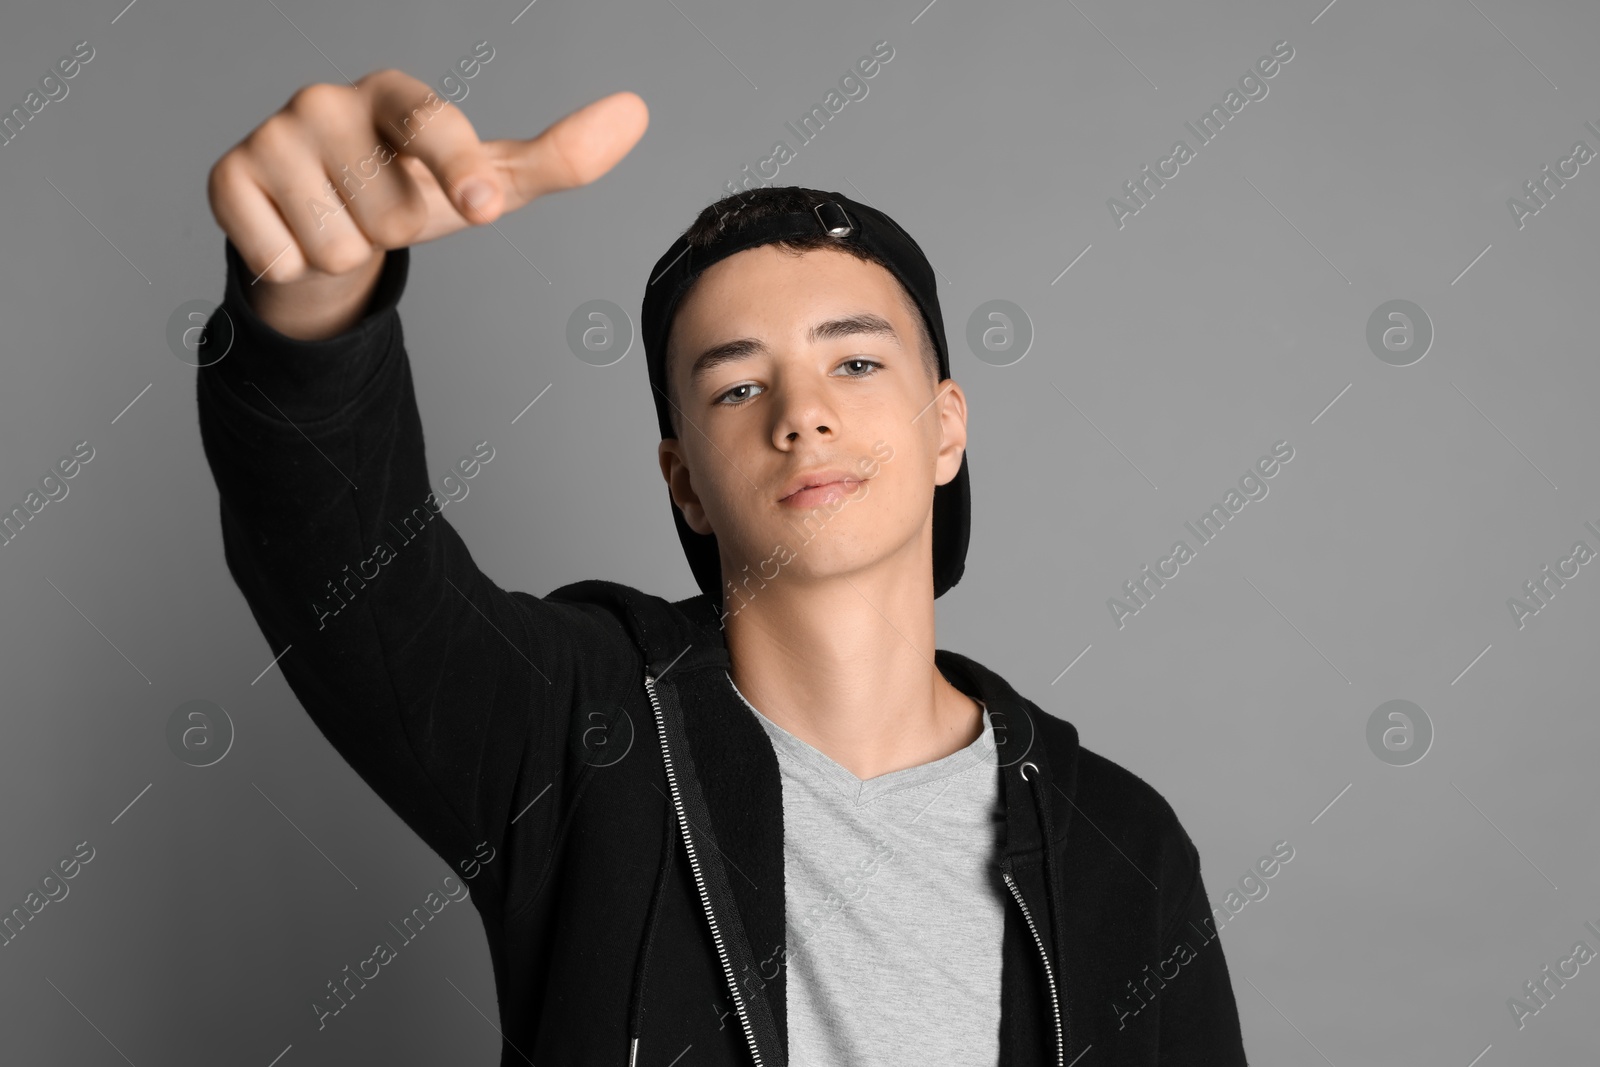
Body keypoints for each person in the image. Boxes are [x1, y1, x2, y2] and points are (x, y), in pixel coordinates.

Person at [197, 68, 1248, 1067]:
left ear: (945, 428)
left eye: (855, 360)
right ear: (684, 480)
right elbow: (359, 583)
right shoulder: (578, 736)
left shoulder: (1120, 842)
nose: (804, 414)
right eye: (738, 388)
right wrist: (315, 306)